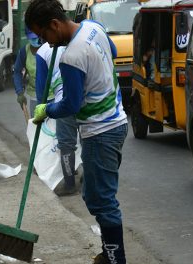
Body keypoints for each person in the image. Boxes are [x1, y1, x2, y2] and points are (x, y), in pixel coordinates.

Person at [25, 0, 128, 263]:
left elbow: (70, 104)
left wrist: (46, 110)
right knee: (93, 194)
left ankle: (115, 258)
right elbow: (113, 53)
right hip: (117, 122)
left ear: (55, 24)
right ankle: (108, 252)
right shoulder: (94, 27)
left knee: (103, 201)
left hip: (100, 132)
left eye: (44, 35)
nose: (45, 43)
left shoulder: (71, 57)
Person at [35, 43, 79, 196]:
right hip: (86, 99)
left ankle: (70, 184)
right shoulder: (77, 39)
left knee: (66, 144)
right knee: (89, 140)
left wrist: (42, 110)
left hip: (63, 102)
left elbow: (42, 88)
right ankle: (89, 180)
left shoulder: (42, 52)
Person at [13, 28, 42, 117]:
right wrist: (20, 92)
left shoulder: (49, 47)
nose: (34, 40)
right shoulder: (24, 52)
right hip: (35, 94)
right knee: (36, 125)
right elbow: (17, 72)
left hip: (53, 95)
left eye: (36, 37)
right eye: (32, 38)